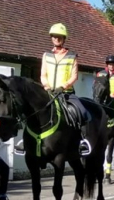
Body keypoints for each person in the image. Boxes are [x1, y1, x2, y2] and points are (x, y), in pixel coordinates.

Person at [31, 23, 91, 156]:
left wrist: (62, 87)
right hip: (49, 93)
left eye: (59, 37)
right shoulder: (46, 55)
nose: (56, 39)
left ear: (64, 38)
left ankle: (82, 141)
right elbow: (43, 75)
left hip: (66, 94)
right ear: (51, 38)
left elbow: (74, 76)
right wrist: (47, 87)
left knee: (82, 112)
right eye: (54, 36)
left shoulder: (72, 56)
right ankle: (27, 141)